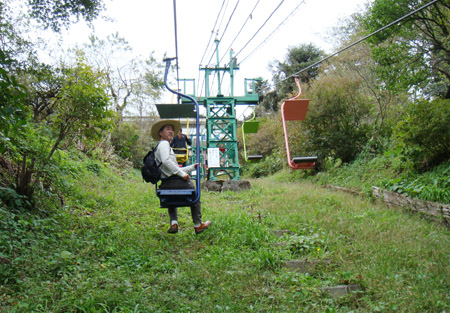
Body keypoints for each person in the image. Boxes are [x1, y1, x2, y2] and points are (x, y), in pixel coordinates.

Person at [150, 119, 211, 234]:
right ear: (160, 133)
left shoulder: (164, 146)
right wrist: (183, 174)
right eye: (168, 129)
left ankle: (174, 223)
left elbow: (173, 168)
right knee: (195, 193)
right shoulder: (164, 144)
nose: (171, 132)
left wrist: (191, 167)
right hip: (173, 182)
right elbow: (166, 161)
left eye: (172, 130)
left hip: (166, 184)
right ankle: (198, 224)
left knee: (171, 198)